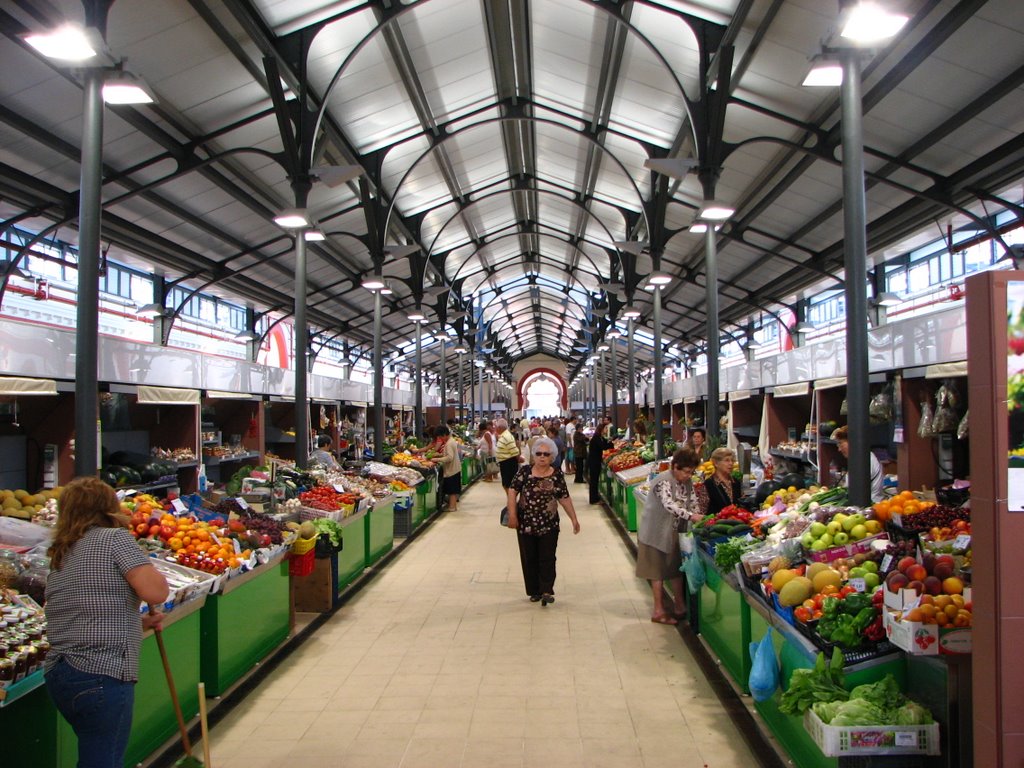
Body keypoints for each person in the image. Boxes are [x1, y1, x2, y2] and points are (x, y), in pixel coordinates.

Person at [44, 476, 170, 768]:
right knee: (104, 760)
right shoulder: (114, 538)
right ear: (108, 508)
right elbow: (156, 592)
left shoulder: (62, 552)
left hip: (62, 675)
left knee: (94, 754)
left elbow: (87, 613)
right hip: (102, 673)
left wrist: (140, 625)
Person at [506, 436, 581, 606]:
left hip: (549, 523)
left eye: (546, 454)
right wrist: (512, 515)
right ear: (533, 455)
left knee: (548, 557)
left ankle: (547, 589)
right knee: (530, 557)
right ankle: (534, 591)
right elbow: (512, 491)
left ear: (552, 457)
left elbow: (564, 497)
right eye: (538, 453)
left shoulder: (556, 475)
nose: (542, 457)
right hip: (526, 523)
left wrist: (574, 519)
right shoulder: (524, 472)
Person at [636, 448, 701, 624]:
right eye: (686, 471)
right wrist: (691, 516)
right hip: (656, 532)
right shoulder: (663, 480)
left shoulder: (687, 482)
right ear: (675, 467)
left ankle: (679, 605)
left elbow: (693, 500)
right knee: (657, 571)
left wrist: (698, 517)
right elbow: (668, 504)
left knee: (675, 568)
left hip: (674, 532)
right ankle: (658, 611)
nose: (688, 475)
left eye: (691, 472)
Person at [831, 426, 885, 503]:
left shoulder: (864, 460)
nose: (839, 449)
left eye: (841, 444)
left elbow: (855, 491)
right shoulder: (858, 458)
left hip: (870, 505)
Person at [704, 446, 744, 516]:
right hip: (716, 524)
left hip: (736, 522)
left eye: (732, 460)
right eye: (727, 460)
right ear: (716, 463)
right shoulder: (708, 484)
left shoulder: (736, 482)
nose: (731, 463)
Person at [434, 425, 462, 511]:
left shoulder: (449, 443)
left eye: (440, 436)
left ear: (444, 434)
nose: (440, 438)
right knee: (452, 490)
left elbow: (450, 457)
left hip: (452, 470)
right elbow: (449, 454)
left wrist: (437, 459)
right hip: (454, 469)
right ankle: (453, 506)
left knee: (451, 490)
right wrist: (439, 455)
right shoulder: (451, 441)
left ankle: (452, 507)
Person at [587, 417, 611, 504]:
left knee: (596, 480)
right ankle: (593, 499)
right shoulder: (597, 438)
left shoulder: (600, 437)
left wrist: (612, 442)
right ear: (601, 429)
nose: (606, 430)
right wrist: (611, 444)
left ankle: (595, 498)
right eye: (605, 428)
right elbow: (604, 446)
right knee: (594, 481)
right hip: (594, 462)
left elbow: (606, 444)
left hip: (596, 461)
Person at [495, 418, 523, 488]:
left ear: (500, 428)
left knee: (508, 484)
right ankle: (510, 498)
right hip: (505, 463)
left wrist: (519, 459)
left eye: (496, 427)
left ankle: (511, 498)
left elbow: (514, 450)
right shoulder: (504, 435)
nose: (495, 429)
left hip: (509, 463)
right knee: (506, 484)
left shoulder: (507, 436)